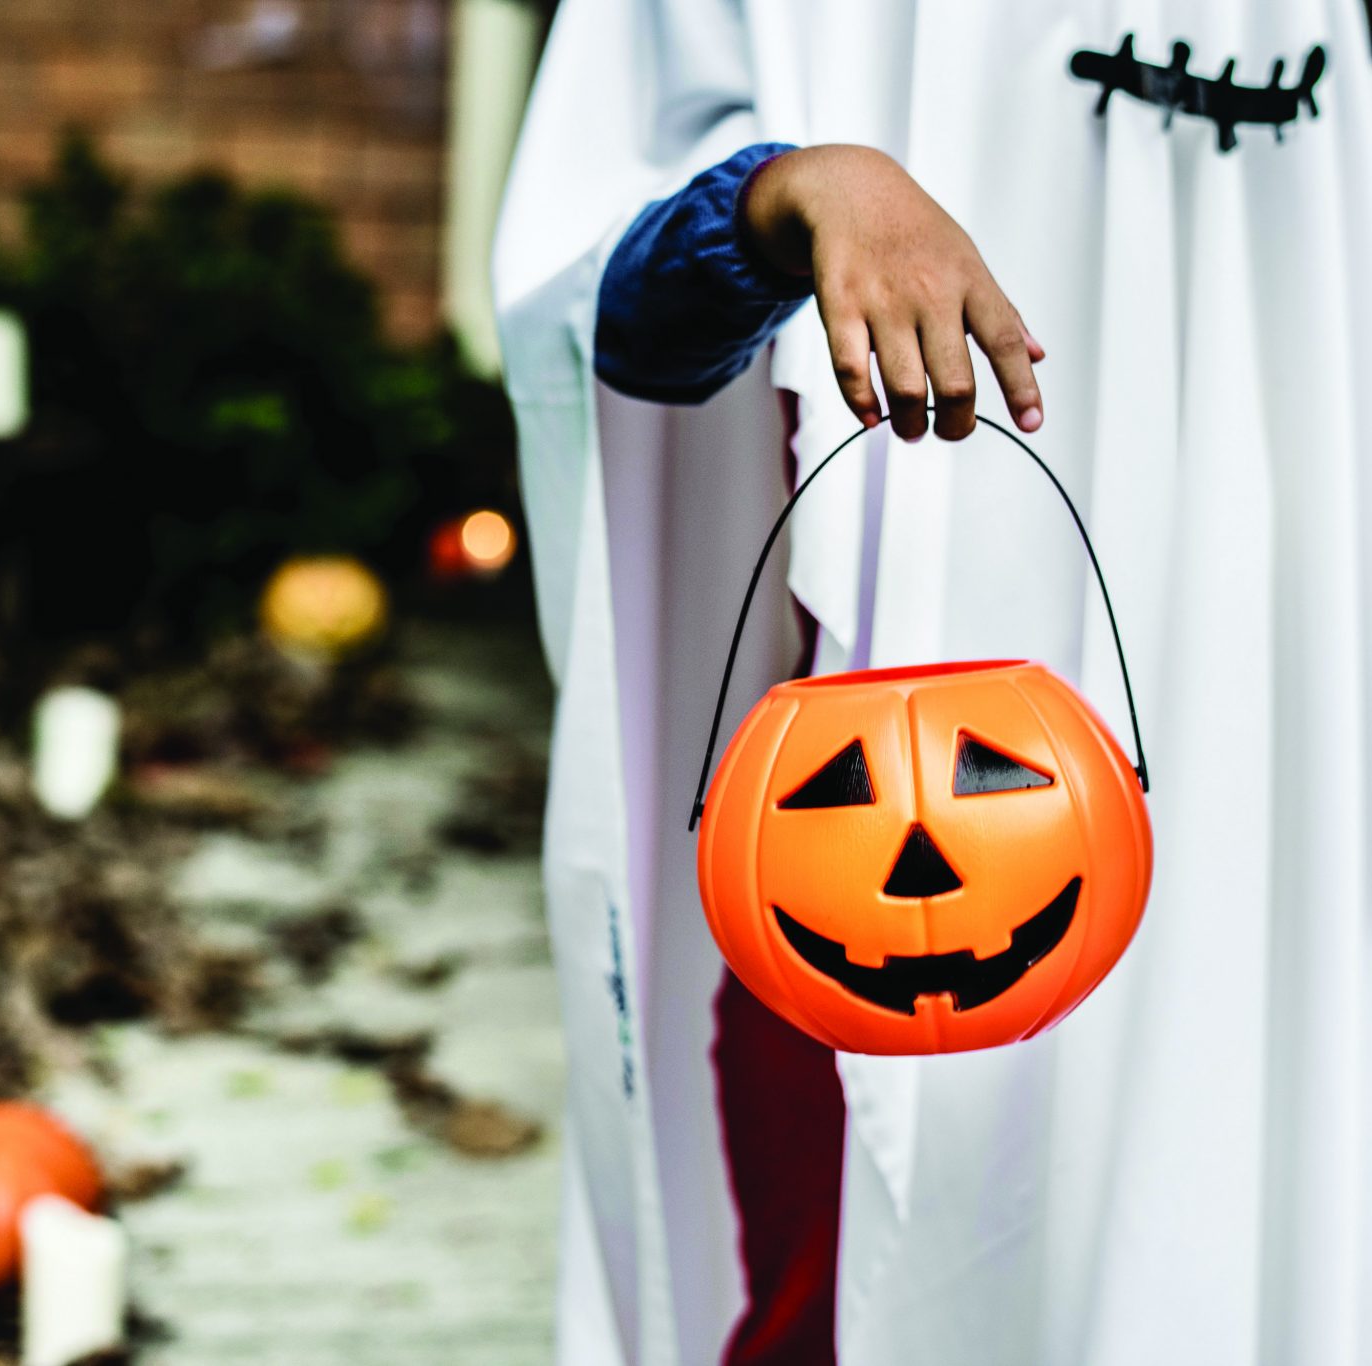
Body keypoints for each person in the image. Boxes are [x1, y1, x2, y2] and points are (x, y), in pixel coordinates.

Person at [491, 4, 1371, 1365]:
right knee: (860, 1206)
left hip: (1293, 647)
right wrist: (791, 195)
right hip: (888, 696)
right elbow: (596, 290)